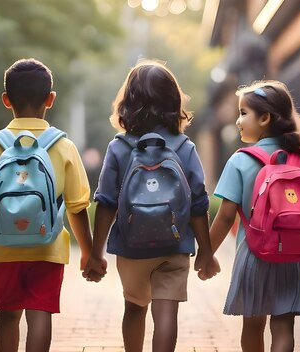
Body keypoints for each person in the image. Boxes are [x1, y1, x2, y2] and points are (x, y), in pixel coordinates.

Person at [84, 60, 213, 352]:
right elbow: (198, 202)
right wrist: (206, 251)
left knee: (134, 308)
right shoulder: (184, 146)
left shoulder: (118, 147)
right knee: (166, 313)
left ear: (128, 102)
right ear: (173, 102)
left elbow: (106, 202)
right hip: (175, 245)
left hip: (131, 248)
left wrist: (95, 253)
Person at [0, 58, 93, 352]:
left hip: (3, 248)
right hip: (47, 248)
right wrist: (89, 252)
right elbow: (77, 205)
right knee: (41, 314)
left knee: (7, 315)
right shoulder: (63, 146)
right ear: (50, 100)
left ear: (6, 100)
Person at [204, 80, 300, 352]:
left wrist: (206, 253)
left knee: (252, 326)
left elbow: (226, 217)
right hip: (295, 258)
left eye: (243, 113)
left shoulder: (240, 160)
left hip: (254, 255)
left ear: (264, 118)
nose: (238, 121)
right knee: (284, 326)